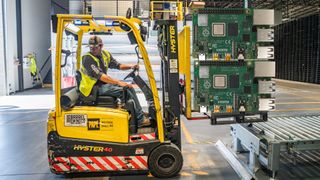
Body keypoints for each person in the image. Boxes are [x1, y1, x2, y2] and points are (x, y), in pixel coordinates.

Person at [79, 35, 151, 127]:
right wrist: (118, 82)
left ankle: (137, 113)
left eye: (95, 47)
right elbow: (100, 76)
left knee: (129, 87)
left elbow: (118, 65)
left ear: (101, 46)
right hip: (92, 88)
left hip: (101, 85)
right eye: (91, 47)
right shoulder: (87, 58)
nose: (92, 50)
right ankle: (140, 119)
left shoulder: (105, 54)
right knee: (125, 90)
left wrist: (131, 66)